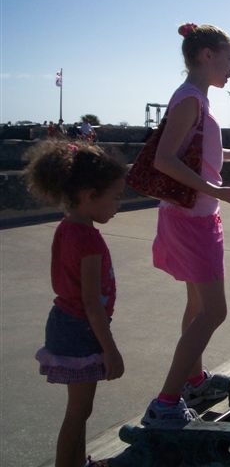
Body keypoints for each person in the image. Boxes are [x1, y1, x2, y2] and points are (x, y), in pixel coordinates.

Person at [141, 22, 230, 427]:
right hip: (193, 219)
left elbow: (197, 150)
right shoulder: (190, 99)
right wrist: (217, 190)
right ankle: (165, 403)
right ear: (207, 55)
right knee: (214, 311)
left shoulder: (195, 98)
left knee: (196, 306)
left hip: (193, 215)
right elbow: (164, 160)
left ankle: (193, 382)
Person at [25, 140, 126, 467]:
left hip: (65, 321)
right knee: (78, 411)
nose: (119, 205)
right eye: (116, 197)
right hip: (81, 328)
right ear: (89, 195)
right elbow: (91, 303)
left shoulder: (68, 227)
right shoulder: (88, 238)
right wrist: (110, 350)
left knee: (80, 409)